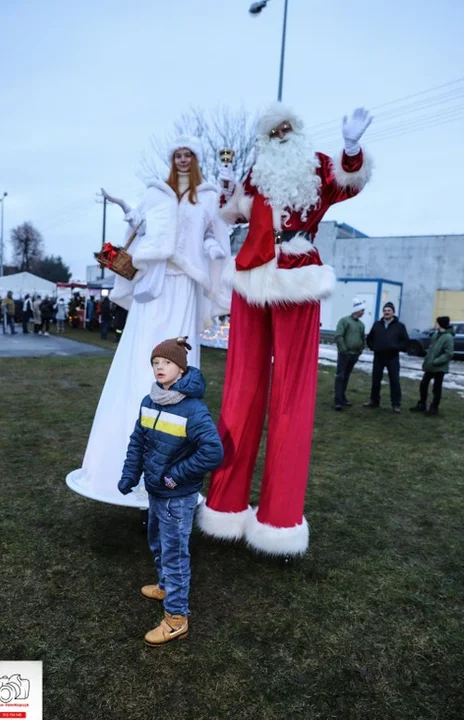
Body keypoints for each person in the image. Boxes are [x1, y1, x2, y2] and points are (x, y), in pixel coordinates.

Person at [197, 103, 373, 557]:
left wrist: (351, 148)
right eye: (272, 130)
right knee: (240, 392)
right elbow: (232, 213)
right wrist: (228, 189)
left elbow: (348, 182)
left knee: (292, 397)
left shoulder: (316, 166)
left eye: (286, 127)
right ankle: (225, 505)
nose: (280, 134)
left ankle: (279, 519)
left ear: (296, 130)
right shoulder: (256, 174)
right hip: (251, 277)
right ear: (265, 138)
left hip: (297, 275)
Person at [67, 136, 230, 507]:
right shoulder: (156, 193)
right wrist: (126, 207)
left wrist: (212, 249)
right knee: (142, 358)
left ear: (196, 159)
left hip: (186, 287)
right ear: (172, 159)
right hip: (154, 289)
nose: (184, 159)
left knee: (180, 356)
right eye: (178, 154)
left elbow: (216, 235)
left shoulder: (207, 197)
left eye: (189, 154)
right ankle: (118, 464)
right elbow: (140, 228)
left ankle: (172, 464)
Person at [118, 337, 223, 646]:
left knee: (175, 555)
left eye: (166, 363)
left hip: (177, 497)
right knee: (157, 543)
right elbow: (138, 441)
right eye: (155, 363)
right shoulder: (149, 401)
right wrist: (129, 474)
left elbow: (213, 452)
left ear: (181, 368)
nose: (159, 367)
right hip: (155, 492)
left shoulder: (194, 410)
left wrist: (175, 476)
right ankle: (164, 585)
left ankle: (176, 618)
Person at [363, 301, 409, 413]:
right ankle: (374, 401)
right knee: (376, 380)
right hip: (378, 357)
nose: (386, 312)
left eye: (389, 310)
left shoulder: (400, 326)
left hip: (392, 357)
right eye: (384, 311)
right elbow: (369, 339)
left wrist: (396, 347)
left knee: (394, 381)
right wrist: (373, 347)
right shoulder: (377, 324)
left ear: (393, 312)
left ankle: (396, 404)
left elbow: (405, 342)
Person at [409, 316, 455, 416]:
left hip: (439, 367)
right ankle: (422, 404)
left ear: (441, 324)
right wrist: (427, 361)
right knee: (424, 384)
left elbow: (448, 354)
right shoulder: (436, 335)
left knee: (436, 388)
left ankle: (434, 408)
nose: (435, 324)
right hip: (430, 366)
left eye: (436, 323)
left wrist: (436, 361)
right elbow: (431, 350)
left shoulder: (448, 337)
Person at [334, 298, 366, 410]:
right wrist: (343, 350)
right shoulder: (344, 321)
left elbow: (362, 338)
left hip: (354, 355)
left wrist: (360, 351)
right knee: (340, 376)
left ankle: (342, 397)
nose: (363, 312)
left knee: (346, 376)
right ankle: (337, 400)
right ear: (357, 310)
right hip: (344, 354)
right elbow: (339, 336)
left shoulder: (361, 324)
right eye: (362, 310)